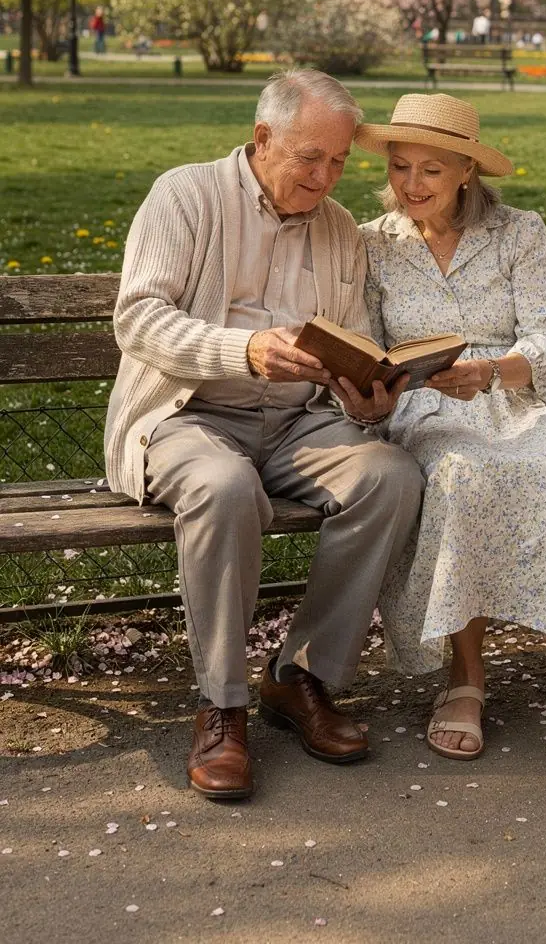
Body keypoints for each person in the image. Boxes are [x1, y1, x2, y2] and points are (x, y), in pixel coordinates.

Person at [105, 70, 421, 802]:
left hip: (295, 423)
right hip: (184, 415)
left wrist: (367, 395)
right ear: (261, 138)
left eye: (340, 162)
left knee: (390, 475)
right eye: (310, 157)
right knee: (223, 485)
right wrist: (242, 351)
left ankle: (299, 677)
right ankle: (222, 705)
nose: (325, 176)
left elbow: (355, 339)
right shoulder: (184, 196)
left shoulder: (340, 228)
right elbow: (139, 318)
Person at [355, 94, 546, 802]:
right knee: (459, 474)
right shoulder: (371, 242)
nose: (412, 184)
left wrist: (492, 371)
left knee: (544, 470)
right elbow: (365, 347)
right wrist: (376, 386)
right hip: (424, 407)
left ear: (467, 172)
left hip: (522, 398)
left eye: (431, 170)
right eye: (400, 167)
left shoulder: (519, 233)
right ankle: (465, 678)